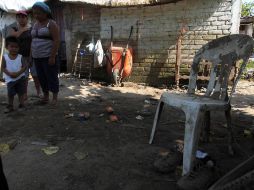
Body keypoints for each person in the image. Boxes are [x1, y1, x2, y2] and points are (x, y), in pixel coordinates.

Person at [31, 2, 60, 106]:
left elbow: (56, 40)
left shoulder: (51, 23)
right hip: (36, 56)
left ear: (46, 13)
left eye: (39, 13)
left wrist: (52, 56)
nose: (36, 15)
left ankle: (55, 98)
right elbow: (32, 41)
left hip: (48, 56)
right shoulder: (35, 24)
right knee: (41, 77)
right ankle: (46, 97)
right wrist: (31, 56)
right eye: (35, 13)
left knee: (51, 77)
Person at [10, 10, 41, 99]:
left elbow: (32, 43)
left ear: (27, 18)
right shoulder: (14, 28)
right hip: (20, 57)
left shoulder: (31, 29)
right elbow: (13, 36)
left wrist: (31, 57)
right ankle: (24, 94)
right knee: (24, 77)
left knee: (35, 75)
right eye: (19, 17)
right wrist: (23, 29)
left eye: (23, 17)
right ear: (17, 19)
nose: (21, 19)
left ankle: (39, 92)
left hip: (32, 55)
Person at [1, 36, 26, 113]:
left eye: (16, 47)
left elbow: (24, 67)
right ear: (6, 47)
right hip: (10, 79)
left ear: (19, 48)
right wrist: (10, 74)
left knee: (21, 92)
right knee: (10, 93)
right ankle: (10, 106)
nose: (14, 48)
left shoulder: (20, 57)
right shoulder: (4, 57)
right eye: (12, 46)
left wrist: (18, 73)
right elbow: (3, 67)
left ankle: (22, 104)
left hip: (20, 78)